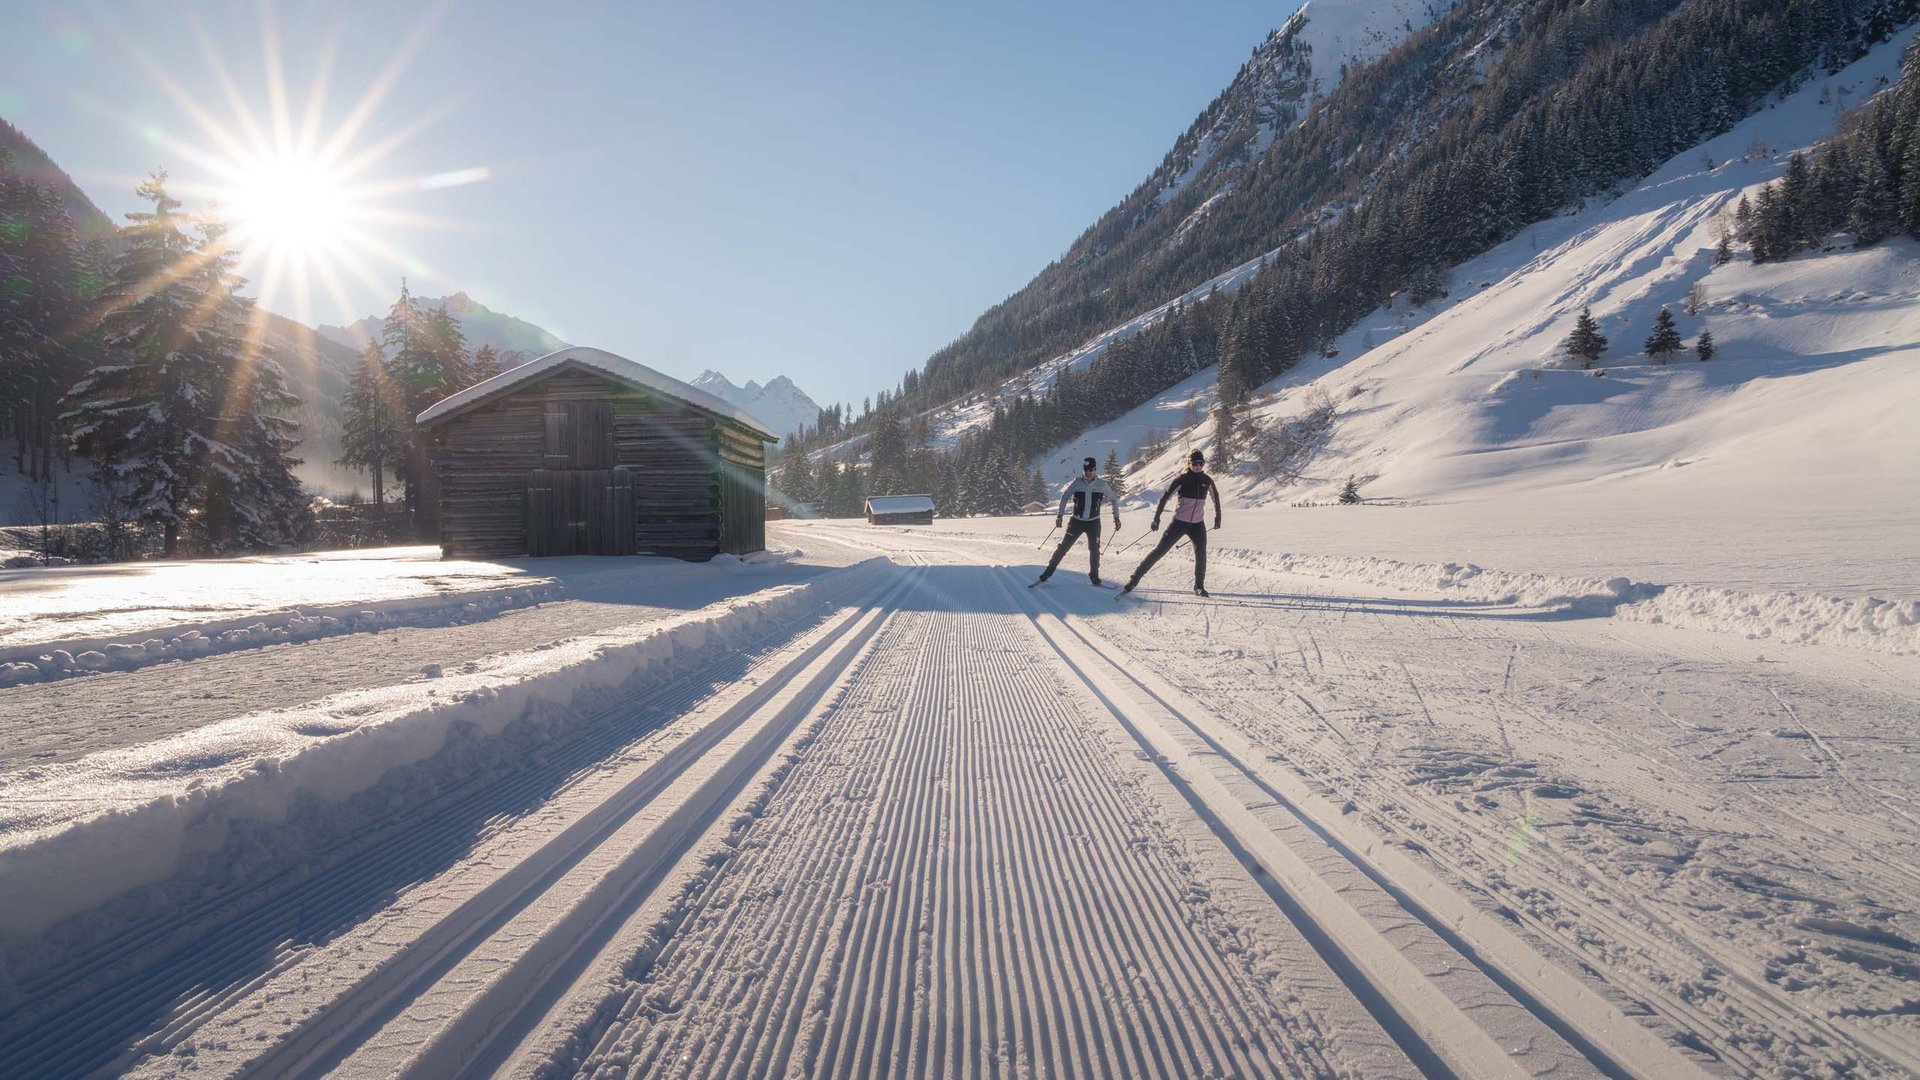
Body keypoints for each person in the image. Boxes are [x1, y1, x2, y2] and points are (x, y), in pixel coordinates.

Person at [1123, 449, 1222, 597]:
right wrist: (1156, 518)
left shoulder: (1207, 480)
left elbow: (1216, 498)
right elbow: (1165, 498)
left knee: (1201, 554)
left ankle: (1199, 587)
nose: (1198, 466)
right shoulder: (1181, 479)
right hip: (1179, 523)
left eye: (1201, 463)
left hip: (1197, 525)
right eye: (1195, 463)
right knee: (1160, 551)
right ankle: (1134, 579)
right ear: (1189, 464)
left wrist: (1218, 517)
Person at [1034, 456, 1122, 587]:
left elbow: (1114, 500)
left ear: (1095, 469)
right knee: (1063, 548)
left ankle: (1094, 577)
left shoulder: (1102, 485)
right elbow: (1064, 497)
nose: (1088, 473)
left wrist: (1116, 518)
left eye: (1090, 470)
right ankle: (1047, 573)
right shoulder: (1077, 483)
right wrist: (1060, 516)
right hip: (1076, 521)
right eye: (1086, 470)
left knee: (1094, 550)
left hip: (1094, 523)